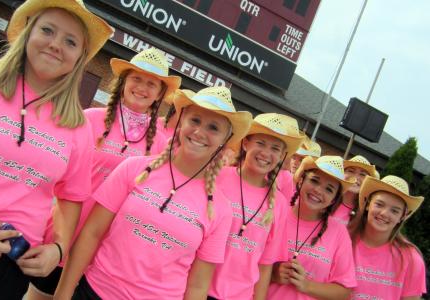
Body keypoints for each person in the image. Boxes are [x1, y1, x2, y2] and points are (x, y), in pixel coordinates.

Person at [0, 0, 113, 299]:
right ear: (28, 32)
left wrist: (58, 248)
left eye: (70, 41)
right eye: (47, 30)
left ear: (79, 58)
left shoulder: (77, 126)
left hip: (5, 274)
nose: (56, 45)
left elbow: (71, 199)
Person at [54, 87, 253, 299]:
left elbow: (197, 286)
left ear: (225, 140)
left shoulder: (220, 210)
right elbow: (91, 234)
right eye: (195, 120)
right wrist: (63, 293)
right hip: (94, 292)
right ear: (181, 121)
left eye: (213, 128)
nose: (200, 132)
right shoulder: (134, 168)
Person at [27, 47, 181, 299]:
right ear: (123, 82)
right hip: (64, 234)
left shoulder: (163, 146)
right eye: (136, 79)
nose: (142, 87)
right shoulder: (89, 119)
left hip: (107, 253)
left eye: (151, 84)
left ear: (160, 94)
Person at [208, 113, 305, 300]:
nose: (266, 153)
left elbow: (265, 264)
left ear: (282, 156)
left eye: (275, 148)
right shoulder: (217, 177)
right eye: (260, 143)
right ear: (245, 143)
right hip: (196, 288)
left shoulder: (280, 205)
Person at [268, 156, 357, 300]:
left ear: (334, 199)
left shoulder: (339, 232)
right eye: (314, 181)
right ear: (301, 180)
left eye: (329, 189)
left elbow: (344, 292)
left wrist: (307, 285)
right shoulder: (277, 213)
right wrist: (273, 274)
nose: (318, 190)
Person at [349, 175, 426, 299]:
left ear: (402, 216)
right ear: (368, 204)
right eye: (379, 204)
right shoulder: (343, 241)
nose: (384, 214)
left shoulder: (412, 258)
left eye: (395, 211)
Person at [331, 155, 377, 225]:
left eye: (362, 174)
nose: (355, 177)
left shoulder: (366, 213)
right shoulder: (328, 198)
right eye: (351, 171)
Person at [277, 135, 322, 202]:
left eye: (301, 160)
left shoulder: (309, 189)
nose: (295, 162)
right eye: (294, 157)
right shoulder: (279, 174)